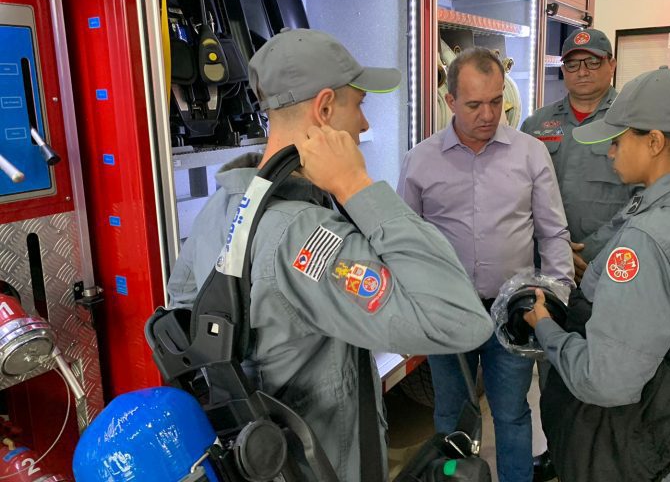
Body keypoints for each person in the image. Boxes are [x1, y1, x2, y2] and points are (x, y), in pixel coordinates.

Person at [166, 28, 494, 482]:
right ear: (323, 109)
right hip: (324, 467)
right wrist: (357, 186)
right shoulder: (305, 236)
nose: (362, 124)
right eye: (357, 105)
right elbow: (461, 320)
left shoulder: (219, 208)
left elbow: (181, 309)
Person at [524, 66, 670, 481]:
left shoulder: (648, 237)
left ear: (655, 142)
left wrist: (546, 328)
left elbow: (605, 381)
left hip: (640, 447)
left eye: (618, 140)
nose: (609, 152)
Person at [397, 47, 574, 482]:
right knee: (452, 417)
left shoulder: (530, 154)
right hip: (448, 314)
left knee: (512, 414)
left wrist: (553, 296)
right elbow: (405, 243)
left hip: (513, 313)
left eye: (496, 101)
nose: (488, 114)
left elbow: (554, 233)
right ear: (450, 100)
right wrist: (408, 312)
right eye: (475, 104)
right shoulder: (421, 160)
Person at [521, 28, 636, 283]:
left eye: (593, 62)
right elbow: (519, 194)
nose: (582, 72)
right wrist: (555, 248)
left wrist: (594, 248)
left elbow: (644, 197)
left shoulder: (632, 122)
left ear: (612, 64)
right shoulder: (536, 123)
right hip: (544, 262)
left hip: (609, 261)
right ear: (563, 70)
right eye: (572, 65)